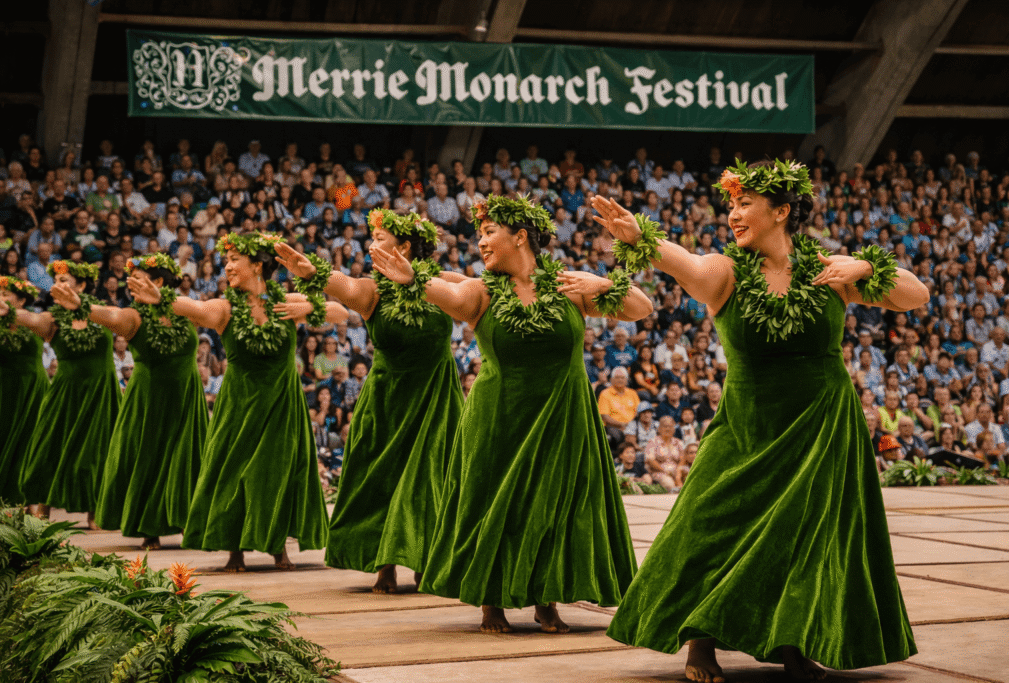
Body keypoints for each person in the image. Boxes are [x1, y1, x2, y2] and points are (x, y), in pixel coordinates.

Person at [600, 159, 925, 680]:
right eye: (731, 203)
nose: (733, 214)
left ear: (781, 211)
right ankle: (700, 640)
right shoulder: (725, 272)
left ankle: (793, 641)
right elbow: (684, 263)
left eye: (744, 203)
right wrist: (642, 238)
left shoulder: (829, 269)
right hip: (747, 421)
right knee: (707, 525)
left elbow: (915, 295)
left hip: (821, 423)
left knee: (807, 533)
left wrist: (864, 267)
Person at [371, 193, 652, 634]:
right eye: (478, 234)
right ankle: (491, 602)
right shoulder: (479, 290)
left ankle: (546, 596)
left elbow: (640, 308)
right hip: (497, 417)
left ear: (520, 237)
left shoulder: (568, 287)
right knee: (494, 504)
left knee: (558, 506)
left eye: (488, 232)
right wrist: (413, 280)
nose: (479, 242)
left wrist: (595, 283)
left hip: (564, 417)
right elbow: (449, 294)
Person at [129, 232, 348, 571]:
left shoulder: (284, 302)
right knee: (234, 470)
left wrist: (309, 305)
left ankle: (277, 545)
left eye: (234, 260)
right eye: (226, 261)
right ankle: (234, 547)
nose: (227, 267)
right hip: (240, 402)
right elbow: (199, 309)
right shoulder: (225, 307)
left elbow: (341, 314)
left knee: (278, 471)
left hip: (282, 403)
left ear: (257, 266)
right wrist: (161, 298)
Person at [274, 209, 465, 594]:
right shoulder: (372, 290)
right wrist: (314, 274)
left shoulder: (446, 283)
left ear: (406, 247)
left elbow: (486, 293)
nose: (370, 245)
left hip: (436, 396)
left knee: (432, 477)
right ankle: (385, 563)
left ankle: (428, 558)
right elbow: (342, 287)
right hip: (386, 399)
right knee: (382, 480)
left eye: (379, 239)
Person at [50, 253, 207, 550]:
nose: (129, 285)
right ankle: (149, 527)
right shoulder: (134, 316)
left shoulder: (184, 310)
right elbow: (111, 316)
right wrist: (82, 305)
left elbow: (209, 311)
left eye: (137, 279)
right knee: (147, 455)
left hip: (186, 396)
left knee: (187, 457)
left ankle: (189, 520)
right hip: (148, 398)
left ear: (159, 281)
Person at [0, 261, 121, 525]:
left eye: (64, 281)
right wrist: (12, 312)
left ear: (81, 285)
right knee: (49, 449)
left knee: (97, 452)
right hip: (65, 391)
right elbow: (33, 319)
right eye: (55, 282)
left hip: (100, 392)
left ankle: (95, 511)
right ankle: (41, 512)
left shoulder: (103, 312)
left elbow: (120, 319)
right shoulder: (52, 318)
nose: (57, 286)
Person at [0, 277, 49, 502]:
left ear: (21, 301)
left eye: (5, 295)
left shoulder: (36, 321)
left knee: (32, 443)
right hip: (1, 391)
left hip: (33, 390)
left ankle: (31, 498)